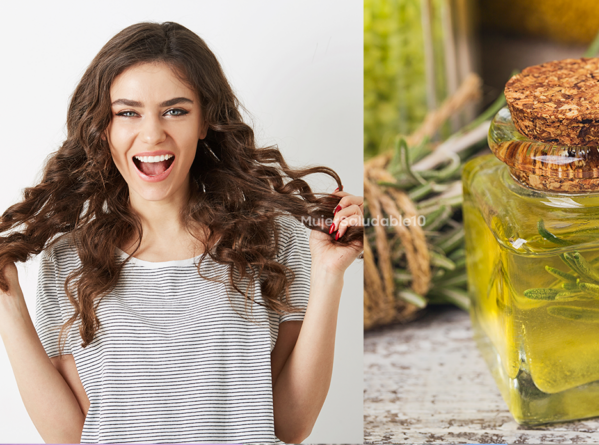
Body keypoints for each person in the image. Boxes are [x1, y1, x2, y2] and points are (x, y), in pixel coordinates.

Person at [0, 21, 363, 444]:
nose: (152, 133)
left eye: (175, 110)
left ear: (205, 121)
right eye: (127, 113)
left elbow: (291, 423)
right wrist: (6, 301)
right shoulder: (69, 260)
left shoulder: (270, 241)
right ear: (104, 128)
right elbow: (69, 435)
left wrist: (328, 273)